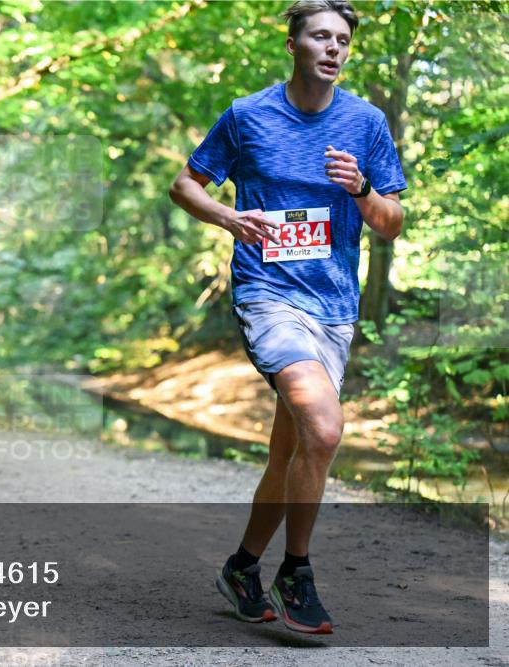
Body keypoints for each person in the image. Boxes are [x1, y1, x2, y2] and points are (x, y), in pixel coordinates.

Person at [168, 0, 406, 635]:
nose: (333, 48)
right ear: (294, 44)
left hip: (333, 307)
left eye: (343, 40)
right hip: (268, 295)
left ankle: (243, 566)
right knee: (325, 430)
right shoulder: (248, 115)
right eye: (320, 37)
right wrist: (228, 217)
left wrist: (361, 190)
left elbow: (391, 225)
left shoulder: (367, 123)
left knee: (291, 451)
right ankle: (295, 570)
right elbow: (185, 185)